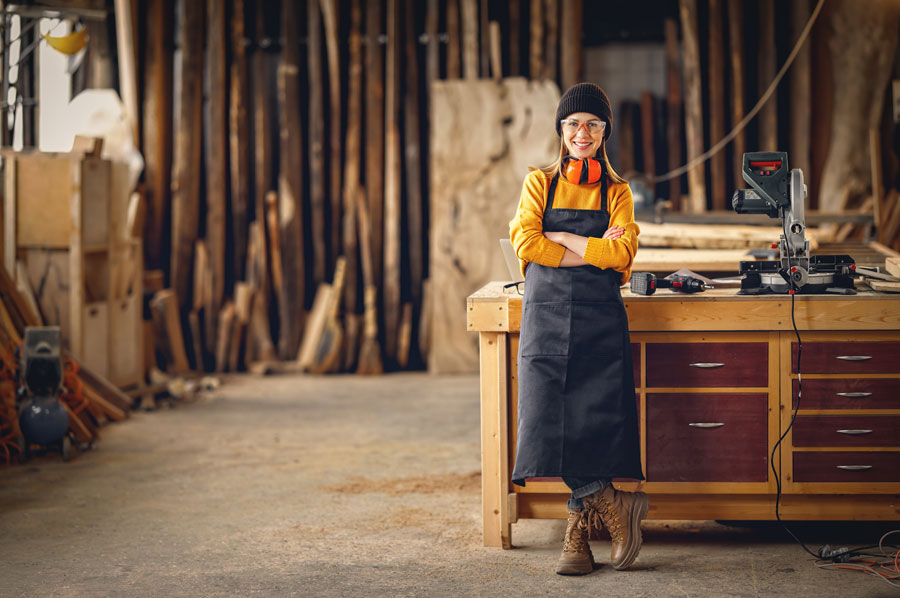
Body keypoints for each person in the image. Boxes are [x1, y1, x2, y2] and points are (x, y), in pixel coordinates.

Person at [508, 82, 647, 576]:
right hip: (545, 322)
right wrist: (591, 249)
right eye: (572, 124)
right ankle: (610, 501)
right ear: (560, 131)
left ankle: (577, 535)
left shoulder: (619, 190)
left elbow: (622, 255)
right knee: (549, 425)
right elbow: (525, 242)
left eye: (591, 123)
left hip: (598, 323)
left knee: (592, 424)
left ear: (604, 131)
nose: (581, 133)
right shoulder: (538, 182)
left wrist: (562, 237)